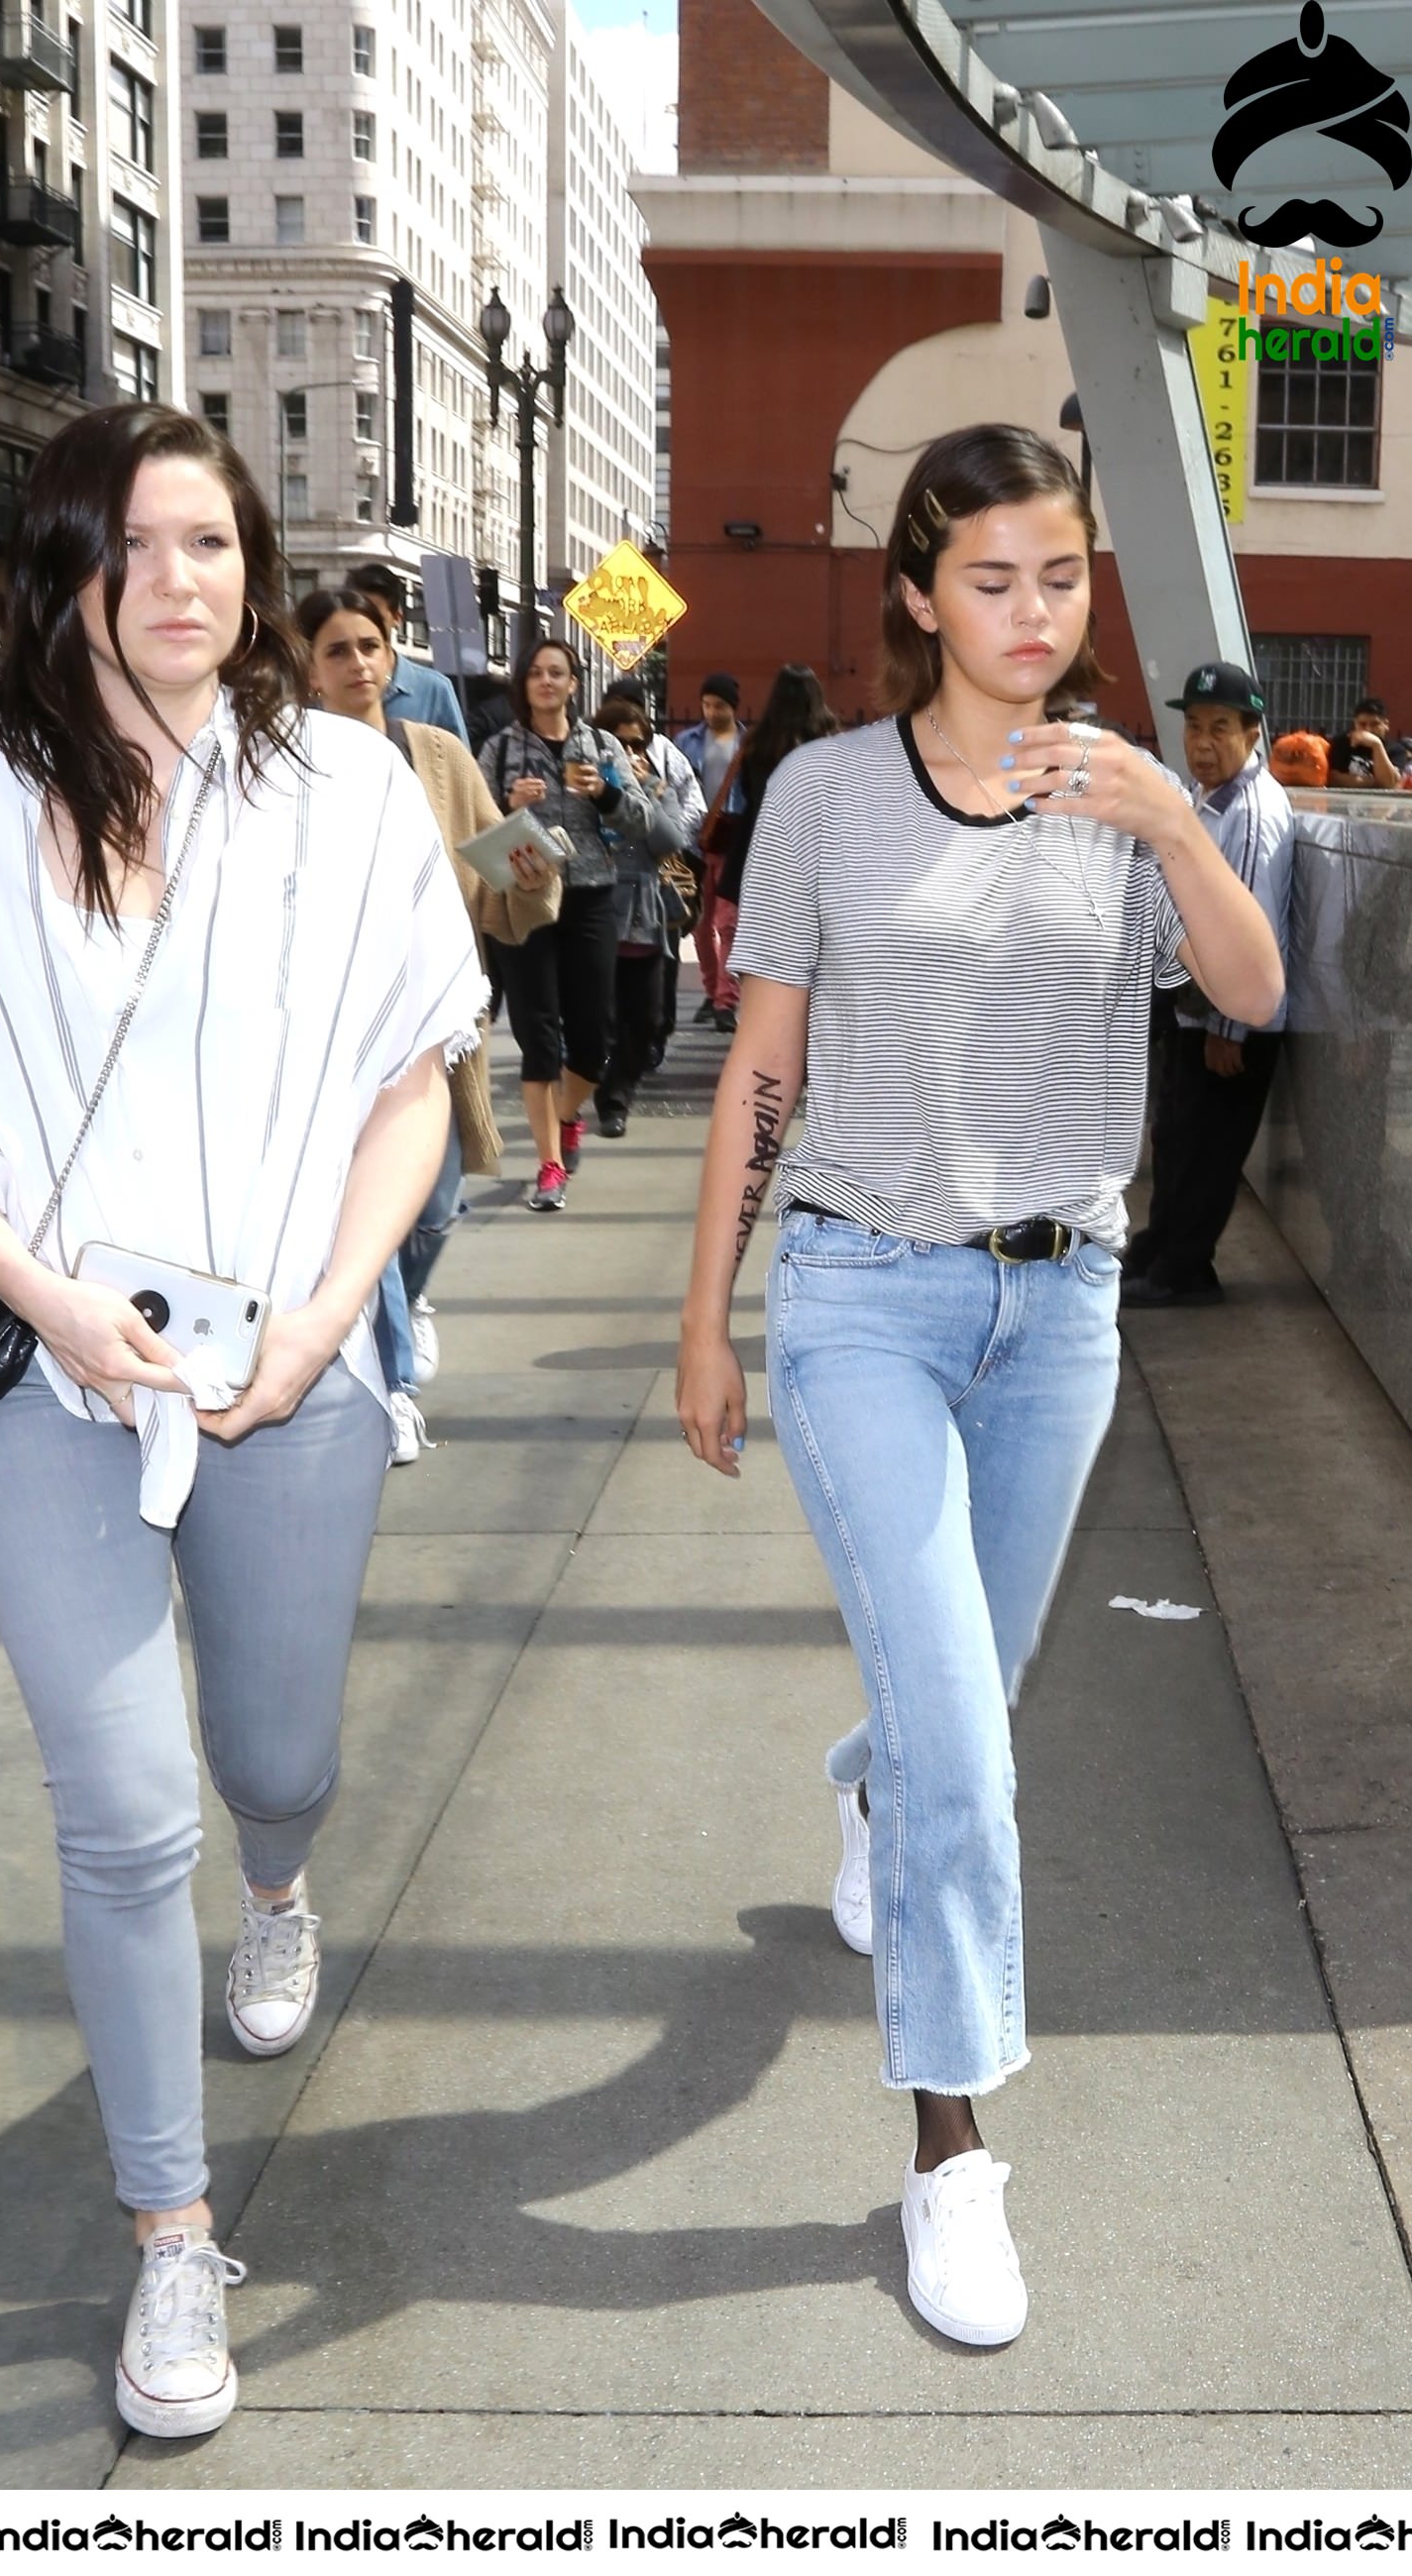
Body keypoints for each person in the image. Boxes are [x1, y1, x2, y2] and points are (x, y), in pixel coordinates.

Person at [0, 404, 487, 2439]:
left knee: (273, 1757)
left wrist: (331, 1319)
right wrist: (50, 1295)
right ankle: (175, 2240)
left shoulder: (347, 790)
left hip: (294, 1366)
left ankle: (285, 1891)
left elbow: (410, 1086)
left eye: (214, 540)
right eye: (139, 544)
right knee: (120, 1805)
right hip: (47, 1372)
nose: (184, 579)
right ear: (66, 569)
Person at [677, 422, 1282, 2349]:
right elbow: (761, 1069)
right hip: (862, 1294)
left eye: (1064, 578)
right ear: (922, 593)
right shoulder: (830, 799)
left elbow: (1258, 995)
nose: (1034, 614)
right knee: (978, 1740)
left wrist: (1176, 820)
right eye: (995, 579)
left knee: (961, 1704)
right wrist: (710, 1313)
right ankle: (951, 2154)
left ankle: (868, 1779)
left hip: (1063, 1313)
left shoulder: (1122, 799)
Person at [295, 584, 559, 1447]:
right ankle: (394, 1384)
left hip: (433, 1022)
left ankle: (403, 1300)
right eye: (338, 650)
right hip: (328, 1030)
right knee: (360, 1206)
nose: (360, 665)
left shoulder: (436, 753)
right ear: (310, 666)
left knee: (436, 1203)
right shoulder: (283, 760)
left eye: (371, 646)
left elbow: (492, 866)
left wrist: (530, 872)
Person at [1122, 664, 1297, 1307]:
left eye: (1220, 728)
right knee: (1177, 1138)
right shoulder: (1208, 800)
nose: (1202, 742)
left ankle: (1183, 1273)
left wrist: (1230, 1028)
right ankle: (1161, 1250)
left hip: (1231, 1024)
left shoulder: (1248, 812)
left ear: (1253, 733)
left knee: (1205, 1152)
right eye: (1194, 726)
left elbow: (1252, 922)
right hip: (1197, 1010)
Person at [478, 637, 655, 1209]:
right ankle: (549, 1164)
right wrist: (508, 806)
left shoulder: (601, 745)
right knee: (538, 1036)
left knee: (594, 1037)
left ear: (574, 684)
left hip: (591, 897)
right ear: (523, 684)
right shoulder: (502, 748)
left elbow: (642, 821)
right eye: (537, 674)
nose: (547, 682)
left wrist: (605, 793)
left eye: (558, 673)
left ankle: (566, 1114)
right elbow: (474, 827)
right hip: (527, 900)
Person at [591, 694, 689, 1137]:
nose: (629, 755)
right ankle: (612, 1100)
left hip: (645, 918)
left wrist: (644, 793)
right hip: (598, 912)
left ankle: (619, 1085)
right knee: (600, 1019)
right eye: (619, 745)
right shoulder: (588, 787)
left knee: (645, 1018)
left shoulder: (656, 788)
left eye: (637, 745)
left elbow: (669, 840)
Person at [715, 664, 838, 919]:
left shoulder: (759, 742)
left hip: (763, 847)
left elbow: (748, 791)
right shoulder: (828, 743)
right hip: (817, 848)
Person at [676, 674, 746, 1031]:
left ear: (733, 707)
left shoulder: (747, 743)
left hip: (733, 845)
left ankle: (726, 999)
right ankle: (711, 989)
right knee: (700, 925)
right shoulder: (686, 741)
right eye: (706, 704)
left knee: (728, 923)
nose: (711, 711)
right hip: (695, 843)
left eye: (719, 705)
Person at [352, 561, 467, 741]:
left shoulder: (434, 690)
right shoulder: (332, 685)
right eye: (359, 616)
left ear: (397, 618)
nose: (366, 627)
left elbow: (458, 765)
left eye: (376, 618)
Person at [1328, 694, 1411, 790]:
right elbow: (1334, 778)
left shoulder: (1396, 750)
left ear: (1386, 725)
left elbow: (1389, 784)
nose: (1368, 730)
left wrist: (1376, 745)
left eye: (1375, 724)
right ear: (1355, 724)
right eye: (1362, 724)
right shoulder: (1342, 743)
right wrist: (1374, 782)